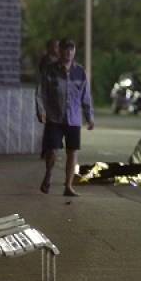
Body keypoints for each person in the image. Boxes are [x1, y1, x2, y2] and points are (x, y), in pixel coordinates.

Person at [36, 38, 94, 197]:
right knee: (52, 151)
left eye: (71, 50)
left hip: (73, 119)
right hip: (54, 118)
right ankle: (48, 174)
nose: (68, 53)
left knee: (72, 152)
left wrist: (89, 117)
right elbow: (41, 93)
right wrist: (41, 111)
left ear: (74, 52)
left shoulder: (80, 72)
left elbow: (86, 96)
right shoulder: (50, 70)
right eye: (65, 50)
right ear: (59, 51)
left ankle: (68, 186)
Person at [38, 39, 60, 160]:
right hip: (49, 98)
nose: (57, 49)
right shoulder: (47, 62)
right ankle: (48, 150)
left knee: (51, 126)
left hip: (55, 99)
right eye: (55, 47)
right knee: (50, 126)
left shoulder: (56, 61)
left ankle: (48, 149)